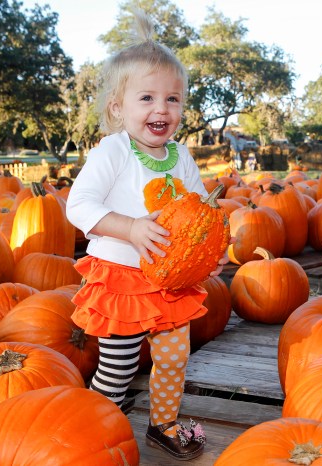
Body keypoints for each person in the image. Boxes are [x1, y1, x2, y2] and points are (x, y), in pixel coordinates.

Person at [66, 10, 227, 461]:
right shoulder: (114, 150)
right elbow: (78, 206)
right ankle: (100, 429)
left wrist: (211, 251)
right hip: (123, 277)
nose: (162, 109)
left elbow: (202, 216)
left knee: (175, 357)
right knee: (117, 369)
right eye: (147, 98)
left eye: (173, 99)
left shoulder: (181, 156)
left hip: (170, 283)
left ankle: (163, 424)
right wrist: (131, 227)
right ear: (118, 107)